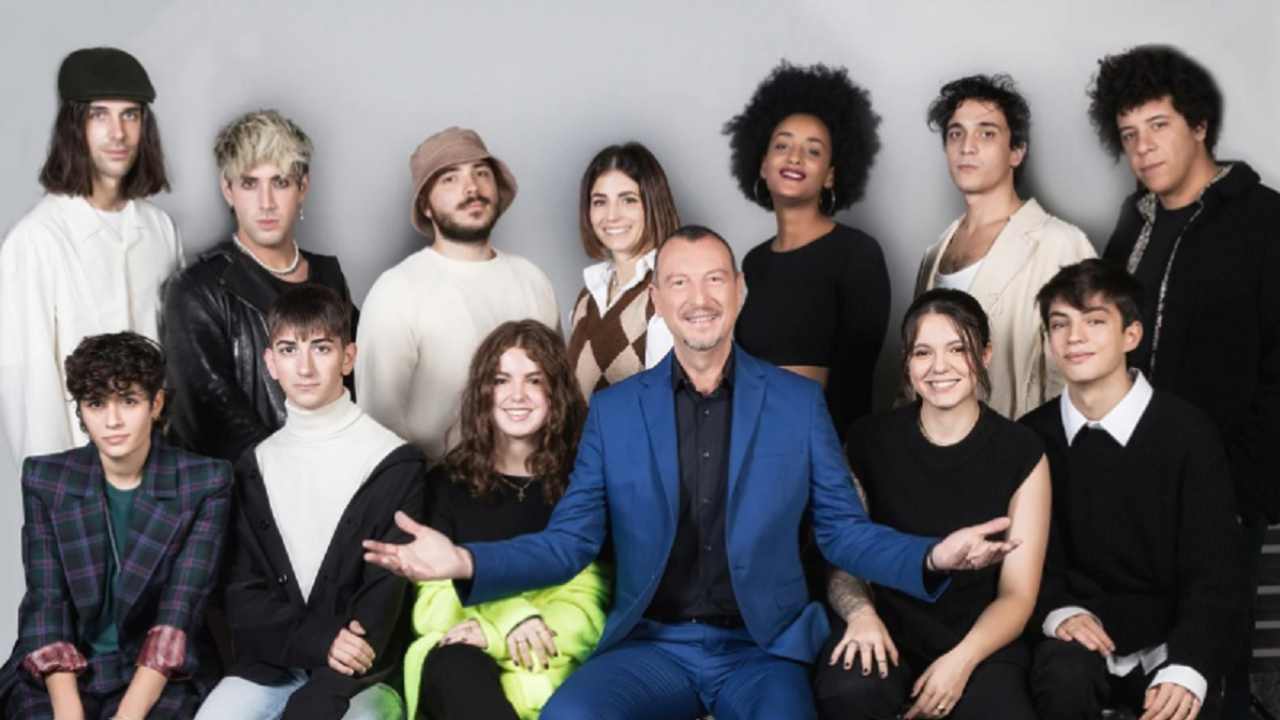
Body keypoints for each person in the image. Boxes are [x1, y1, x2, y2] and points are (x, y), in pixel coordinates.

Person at [364, 225, 1022, 720]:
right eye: (678, 282)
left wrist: (932, 556)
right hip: (651, 647)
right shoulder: (616, 413)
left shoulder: (797, 405)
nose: (698, 298)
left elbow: (843, 533)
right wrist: (465, 563)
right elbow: (568, 543)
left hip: (762, 651)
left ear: (740, 290)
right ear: (657, 298)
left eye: (714, 280)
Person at [1090, 45, 1280, 716]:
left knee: (1215, 660)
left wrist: (1244, 483)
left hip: (1227, 481)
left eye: (1158, 126)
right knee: (1146, 663)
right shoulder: (1133, 223)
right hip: (1135, 477)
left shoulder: (1264, 220)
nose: (1142, 148)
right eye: (1128, 135)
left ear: (1198, 125)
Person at [1022, 259, 1243, 720]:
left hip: (1173, 636)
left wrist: (1189, 663)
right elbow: (1027, 561)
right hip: (1078, 636)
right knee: (1061, 679)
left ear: (1132, 335)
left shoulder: (1189, 434)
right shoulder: (1029, 438)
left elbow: (1215, 570)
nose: (1074, 337)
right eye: (1060, 324)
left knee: (1186, 701)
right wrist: (1058, 612)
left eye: (1094, 321)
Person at [813, 289, 1049, 720]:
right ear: (906, 363)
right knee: (849, 693)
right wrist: (861, 615)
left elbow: (1017, 595)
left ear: (985, 354)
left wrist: (960, 662)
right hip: (884, 626)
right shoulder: (867, 440)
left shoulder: (1022, 450)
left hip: (981, 638)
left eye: (957, 349)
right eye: (923, 352)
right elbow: (842, 553)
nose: (940, 367)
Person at [196, 285, 424, 720]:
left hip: (361, 673)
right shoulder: (253, 465)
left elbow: (383, 597)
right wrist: (318, 641)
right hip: (273, 665)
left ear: (348, 358)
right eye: (289, 349)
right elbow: (241, 595)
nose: (304, 367)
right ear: (270, 362)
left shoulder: (395, 462)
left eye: (321, 348)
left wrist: (317, 697)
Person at [0, 332, 230, 718]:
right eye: (96, 403)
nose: (113, 421)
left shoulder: (203, 483)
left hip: (158, 672)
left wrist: (127, 715)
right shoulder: (47, 479)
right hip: (62, 670)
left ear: (156, 403)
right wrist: (69, 713)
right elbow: (46, 603)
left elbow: (180, 611)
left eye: (128, 401)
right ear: (81, 410)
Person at [405, 320, 609, 720]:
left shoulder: (583, 483)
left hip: (554, 659)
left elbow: (591, 603)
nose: (517, 395)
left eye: (534, 380)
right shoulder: (444, 483)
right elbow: (433, 602)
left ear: (556, 392)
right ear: (484, 391)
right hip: (463, 665)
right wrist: (511, 618)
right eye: (501, 380)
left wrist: (501, 634)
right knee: (454, 664)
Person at [0, 47, 182, 465]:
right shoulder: (36, 240)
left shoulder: (160, 229)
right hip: (82, 474)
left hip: (161, 467)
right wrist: (60, 490)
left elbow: (175, 362)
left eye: (130, 115)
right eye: (100, 115)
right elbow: (30, 390)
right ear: (74, 125)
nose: (118, 134)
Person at [164, 109, 358, 462]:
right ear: (228, 189)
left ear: (302, 188)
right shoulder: (198, 289)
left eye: (280, 182)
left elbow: (357, 388)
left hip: (339, 471)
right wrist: (289, 472)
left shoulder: (328, 277)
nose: (266, 203)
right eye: (249, 184)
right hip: (250, 486)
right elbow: (212, 417)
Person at [356, 127, 560, 460]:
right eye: (450, 179)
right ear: (425, 205)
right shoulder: (396, 291)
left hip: (534, 483)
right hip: (434, 487)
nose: (471, 188)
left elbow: (558, 395)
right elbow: (377, 426)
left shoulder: (533, 280)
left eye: (481, 173)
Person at [724, 60, 890, 438]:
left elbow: (855, 382)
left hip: (823, 448)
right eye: (782, 145)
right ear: (763, 165)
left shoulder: (857, 255)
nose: (795, 157)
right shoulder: (753, 262)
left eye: (813, 151)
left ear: (830, 175)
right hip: (754, 445)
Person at [914, 74, 1095, 419]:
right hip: (937, 442)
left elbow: (1083, 375)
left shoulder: (1060, 243)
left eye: (986, 133)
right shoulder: (934, 254)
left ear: (1016, 151)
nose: (967, 147)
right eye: (956, 134)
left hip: (1022, 442)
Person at [566, 142, 679, 399]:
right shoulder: (587, 297)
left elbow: (668, 405)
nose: (612, 216)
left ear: (653, 203)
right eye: (599, 202)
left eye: (628, 200)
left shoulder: (668, 293)